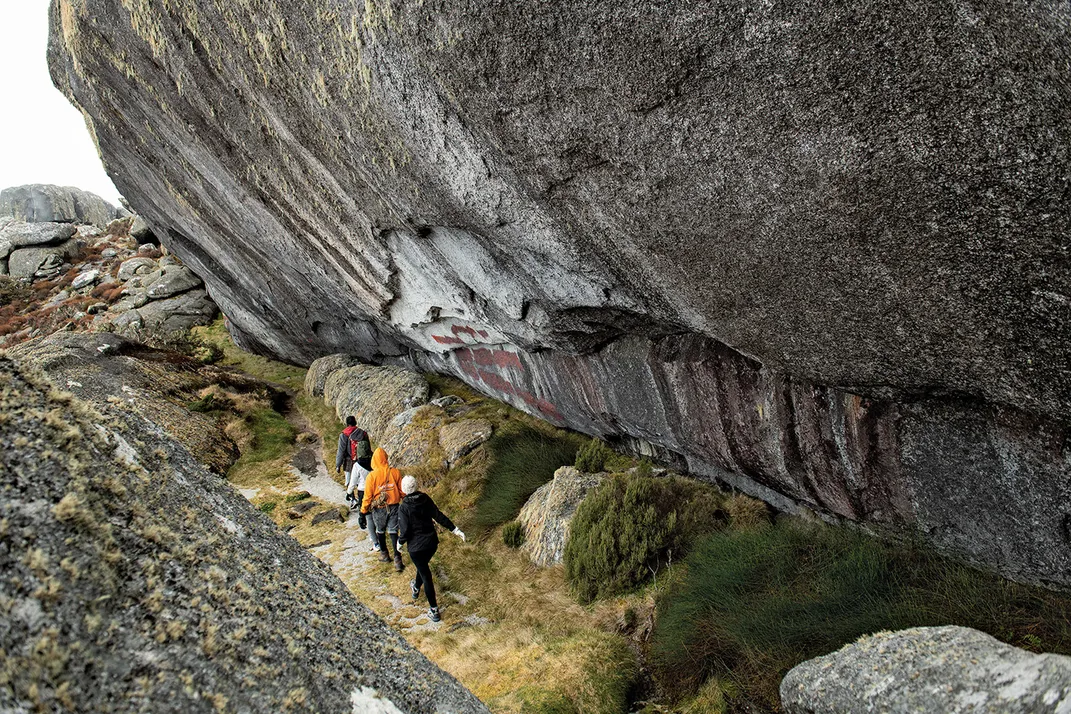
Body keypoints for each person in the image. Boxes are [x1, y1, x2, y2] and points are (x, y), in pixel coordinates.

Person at [397, 474, 465, 623]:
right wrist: (455, 530)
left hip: (416, 548)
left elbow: (405, 530)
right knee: (423, 568)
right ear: (416, 486)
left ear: (403, 489)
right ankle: (415, 587)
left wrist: (399, 543)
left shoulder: (404, 508)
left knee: (425, 574)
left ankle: (434, 610)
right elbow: (438, 516)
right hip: (431, 544)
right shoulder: (425, 499)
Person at [361, 448, 405, 572]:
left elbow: (368, 496)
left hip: (379, 508)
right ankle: (398, 559)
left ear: (374, 460)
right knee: (393, 531)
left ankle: (384, 554)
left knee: (380, 530)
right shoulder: (395, 472)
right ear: (386, 458)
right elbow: (402, 492)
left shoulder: (372, 476)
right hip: (394, 506)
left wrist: (363, 511)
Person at [335, 416, 371, 510]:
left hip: (349, 461)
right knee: (361, 482)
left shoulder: (344, 435)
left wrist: (338, 465)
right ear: (355, 422)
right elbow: (368, 448)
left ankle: (353, 499)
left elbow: (341, 451)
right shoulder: (363, 433)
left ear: (347, 423)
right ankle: (362, 500)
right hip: (362, 461)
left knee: (349, 482)